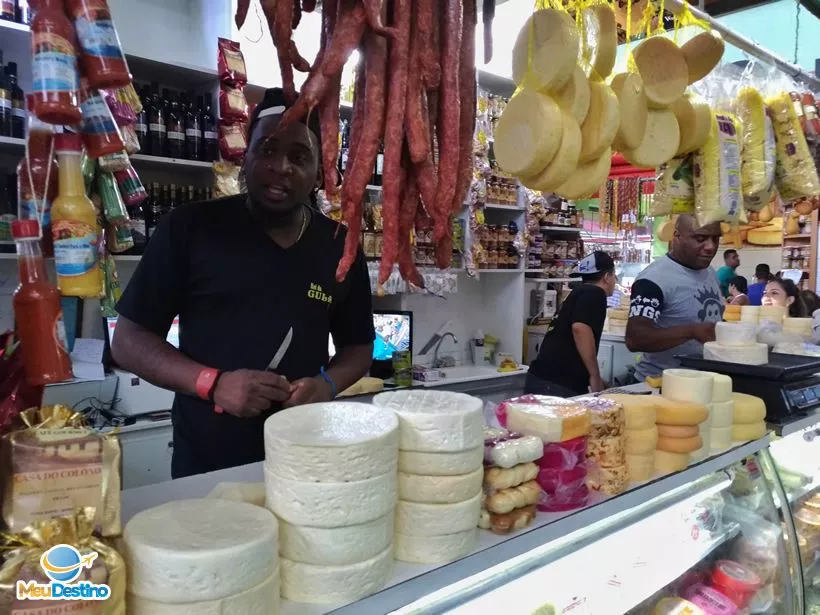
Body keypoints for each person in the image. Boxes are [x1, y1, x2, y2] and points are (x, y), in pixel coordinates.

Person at [111, 88, 375, 478]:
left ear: (320, 171)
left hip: (303, 458)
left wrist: (326, 386)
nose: (281, 166)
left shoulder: (341, 245)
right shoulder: (189, 228)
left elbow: (358, 346)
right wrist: (213, 384)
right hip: (208, 463)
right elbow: (128, 342)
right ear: (244, 155)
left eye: (299, 156)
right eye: (266, 149)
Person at [626, 214, 721, 380]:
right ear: (677, 236)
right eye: (700, 238)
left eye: (716, 239)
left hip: (702, 383)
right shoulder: (653, 279)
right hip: (659, 387)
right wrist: (692, 331)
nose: (710, 247)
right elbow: (635, 339)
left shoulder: (710, 272)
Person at [526, 251, 617, 396]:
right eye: (614, 276)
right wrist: (594, 375)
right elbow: (580, 329)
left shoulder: (578, 292)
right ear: (607, 277)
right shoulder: (595, 293)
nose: (615, 281)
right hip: (559, 385)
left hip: (541, 379)